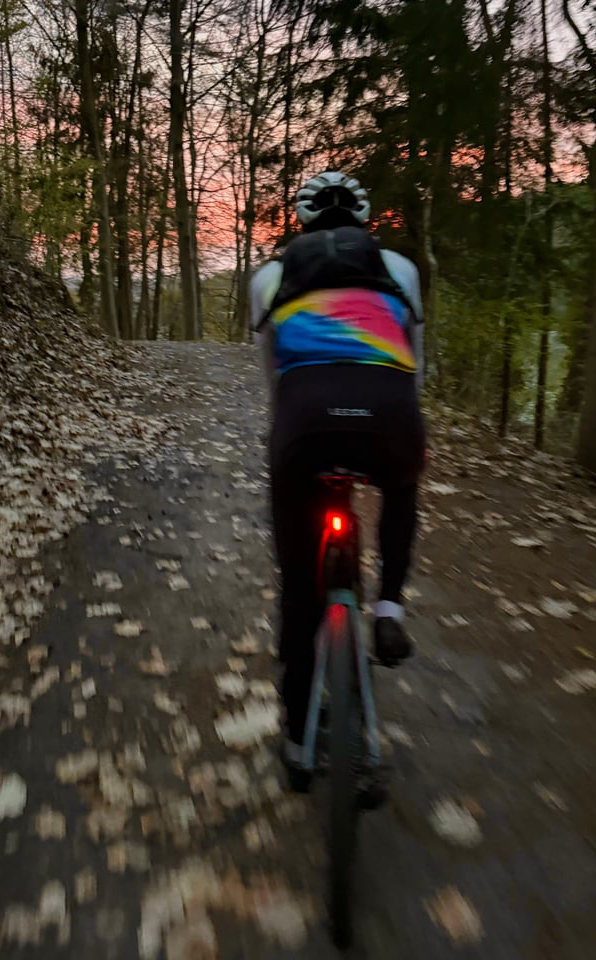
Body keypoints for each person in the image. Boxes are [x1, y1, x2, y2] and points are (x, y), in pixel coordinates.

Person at [249, 171, 426, 788]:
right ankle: (387, 608)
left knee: (300, 594)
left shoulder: (270, 278)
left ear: (301, 223)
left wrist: (296, 438)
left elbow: (273, 377)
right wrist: (397, 435)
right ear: (363, 219)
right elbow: (413, 369)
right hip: (390, 418)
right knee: (402, 485)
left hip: (304, 426)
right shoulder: (399, 269)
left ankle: (299, 746)